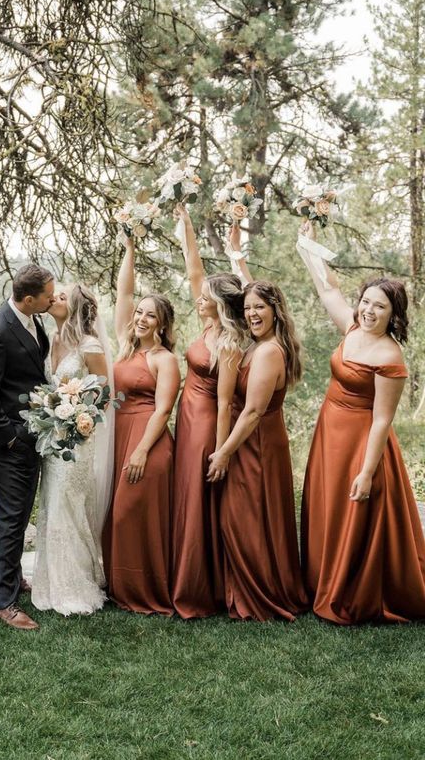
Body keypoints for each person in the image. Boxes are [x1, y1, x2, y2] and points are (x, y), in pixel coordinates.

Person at [298, 222, 425, 623]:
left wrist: (368, 472)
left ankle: (350, 590)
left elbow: (382, 420)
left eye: (380, 307)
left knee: (353, 510)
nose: (369, 311)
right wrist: (309, 244)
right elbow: (328, 289)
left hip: (361, 441)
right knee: (327, 507)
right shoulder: (351, 328)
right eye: (366, 302)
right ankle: (320, 579)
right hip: (329, 433)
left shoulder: (390, 357)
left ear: (393, 314)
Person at [208, 280, 308, 621]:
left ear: (275, 311)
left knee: (244, 518)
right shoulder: (257, 344)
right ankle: (244, 589)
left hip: (258, 443)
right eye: (248, 307)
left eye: (259, 307)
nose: (251, 313)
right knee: (246, 518)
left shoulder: (268, 351)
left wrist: (224, 453)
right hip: (250, 438)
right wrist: (236, 248)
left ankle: (261, 595)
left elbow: (252, 412)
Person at [170, 209, 247, 618]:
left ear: (220, 304)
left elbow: (225, 403)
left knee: (199, 496)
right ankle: (184, 575)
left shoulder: (230, 343)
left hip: (206, 423)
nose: (198, 298)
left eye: (205, 297)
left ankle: (198, 588)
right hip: (187, 414)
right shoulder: (207, 326)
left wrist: (221, 451)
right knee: (185, 495)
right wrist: (186, 228)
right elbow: (195, 271)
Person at [0, 264, 54, 630]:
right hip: (9, 441)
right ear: (28, 298)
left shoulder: (33, 321)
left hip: (31, 434)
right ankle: (5, 602)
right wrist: (10, 435)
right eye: (48, 296)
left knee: (20, 515)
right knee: (10, 516)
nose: (53, 300)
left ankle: (14, 577)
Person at [102, 235, 181, 615]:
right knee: (112, 514)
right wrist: (131, 249)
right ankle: (119, 588)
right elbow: (123, 294)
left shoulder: (164, 359)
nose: (141, 318)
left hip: (147, 441)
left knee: (131, 515)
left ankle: (144, 590)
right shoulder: (125, 345)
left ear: (162, 324)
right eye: (140, 313)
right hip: (117, 435)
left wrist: (141, 450)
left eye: (151, 315)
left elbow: (164, 410)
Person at [31, 284, 112, 616]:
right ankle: (51, 582)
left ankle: (77, 585)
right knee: (52, 504)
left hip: (77, 440)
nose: (54, 299)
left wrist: (83, 419)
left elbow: (104, 393)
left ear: (75, 307)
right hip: (53, 438)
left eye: (62, 297)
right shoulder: (51, 338)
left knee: (69, 504)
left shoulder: (89, 345)